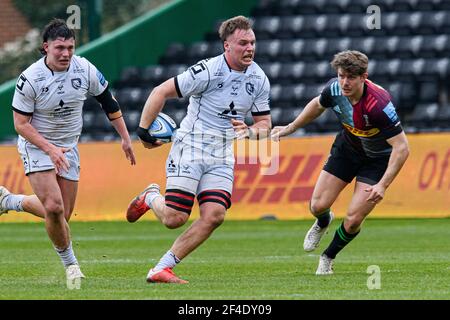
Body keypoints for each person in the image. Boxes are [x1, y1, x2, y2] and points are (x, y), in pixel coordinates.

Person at [126, 15, 271, 283]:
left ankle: (161, 268)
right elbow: (160, 91)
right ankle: (150, 197)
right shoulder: (207, 70)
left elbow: (265, 124)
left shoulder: (259, 79)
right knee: (174, 218)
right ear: (227, 46)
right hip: (191, 147)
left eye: (252, 42)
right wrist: (143, 130)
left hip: (222, 152)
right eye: (243, 43)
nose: (250, 48)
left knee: (215, 216)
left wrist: (250, 132)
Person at [0, 19, 136, 286]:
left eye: (70, 47)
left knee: (63, 215)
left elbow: (108, 101)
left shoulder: (84, 69)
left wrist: (125, 137)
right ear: (46, 47)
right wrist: (50, 149)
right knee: (53, 206)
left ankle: (8, 201)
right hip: (37, 146)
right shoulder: (30, 78)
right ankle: (71, 265)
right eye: (60, 48)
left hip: (69, 146)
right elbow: (20, 125)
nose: (65, 53)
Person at [271, 50, 409, 275]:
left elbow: (402, 147)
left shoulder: (379, 105)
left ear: (364, 77)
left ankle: (327, 257)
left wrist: (382, 185)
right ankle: (323, 221)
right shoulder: (334, 88)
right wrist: (290, 128)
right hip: (347, 150)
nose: (344, 82)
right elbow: (317, 105)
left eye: (351, 77)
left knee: (354, 219)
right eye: (341, 75)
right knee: (317, 206)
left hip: (376, 161)